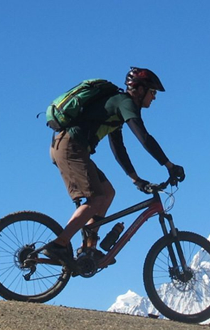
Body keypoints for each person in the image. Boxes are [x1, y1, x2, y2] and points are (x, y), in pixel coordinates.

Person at [43, 67, 185, 271]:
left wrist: (136, 179)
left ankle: (87, 249)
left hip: (73, 148)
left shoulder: (117, 108)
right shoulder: (125, 102)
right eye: (152, 92)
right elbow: (144, 137)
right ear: (139, 89)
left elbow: (118, 148)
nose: (154, 98)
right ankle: (59, 244)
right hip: (70, 147)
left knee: (108, 192)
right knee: (96, 199)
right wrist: (170, 166)